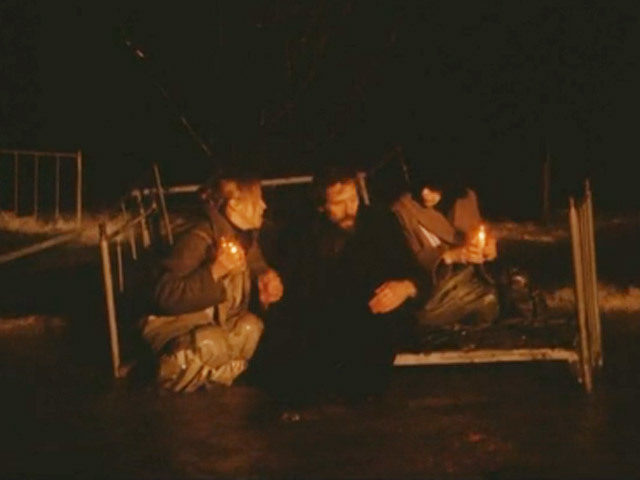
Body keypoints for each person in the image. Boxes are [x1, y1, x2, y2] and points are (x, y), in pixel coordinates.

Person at [281, 166, 429, 399]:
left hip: (378, 320)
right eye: (339, 203)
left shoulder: (380, 221)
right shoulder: (307, 234)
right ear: (322, 206)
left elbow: (417, 273)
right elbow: (299, 290)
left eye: (353, 199)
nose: (350, 209)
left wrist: (405, 288)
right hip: (329, 324)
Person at [141, 173, 284, 392]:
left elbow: (256, 267)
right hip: (176, 328)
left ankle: (213, 377)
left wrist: (267, 281)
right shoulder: (198, 238)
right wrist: (215, 271)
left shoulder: (245, 237)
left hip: (214, 324)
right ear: (234, 205)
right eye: (257, 199)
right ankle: (167, 376)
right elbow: (165, 295)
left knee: (250, 328)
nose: (264, 206)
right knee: (211, 341)